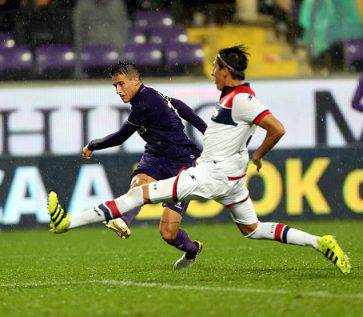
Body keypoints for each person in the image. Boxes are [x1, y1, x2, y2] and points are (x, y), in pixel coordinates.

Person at [48, 45, 351, 274]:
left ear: (226, 71)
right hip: (231, 181)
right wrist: (225, 143)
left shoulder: (242, 99)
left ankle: (67, 223)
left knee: (136, 196)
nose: (212, 72)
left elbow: (276, 128)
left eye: (216, 67)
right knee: (253, 229)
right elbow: (187, 111)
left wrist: (259, 155)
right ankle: (319, 241)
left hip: (206, 174)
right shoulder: (230, 98)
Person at [80, 61, 207, 268]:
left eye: (121, 84)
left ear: (135, 80)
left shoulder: (145, 103)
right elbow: (180, 106)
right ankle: (123, 222)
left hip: (182, 162)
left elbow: (120, 137)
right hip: (155, 156)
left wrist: (92, 145)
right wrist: (205, 129)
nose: (118, 91)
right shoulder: (151, 95)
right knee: (138, 184)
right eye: (115, 86)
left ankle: (192, 250)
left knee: (168, 233)